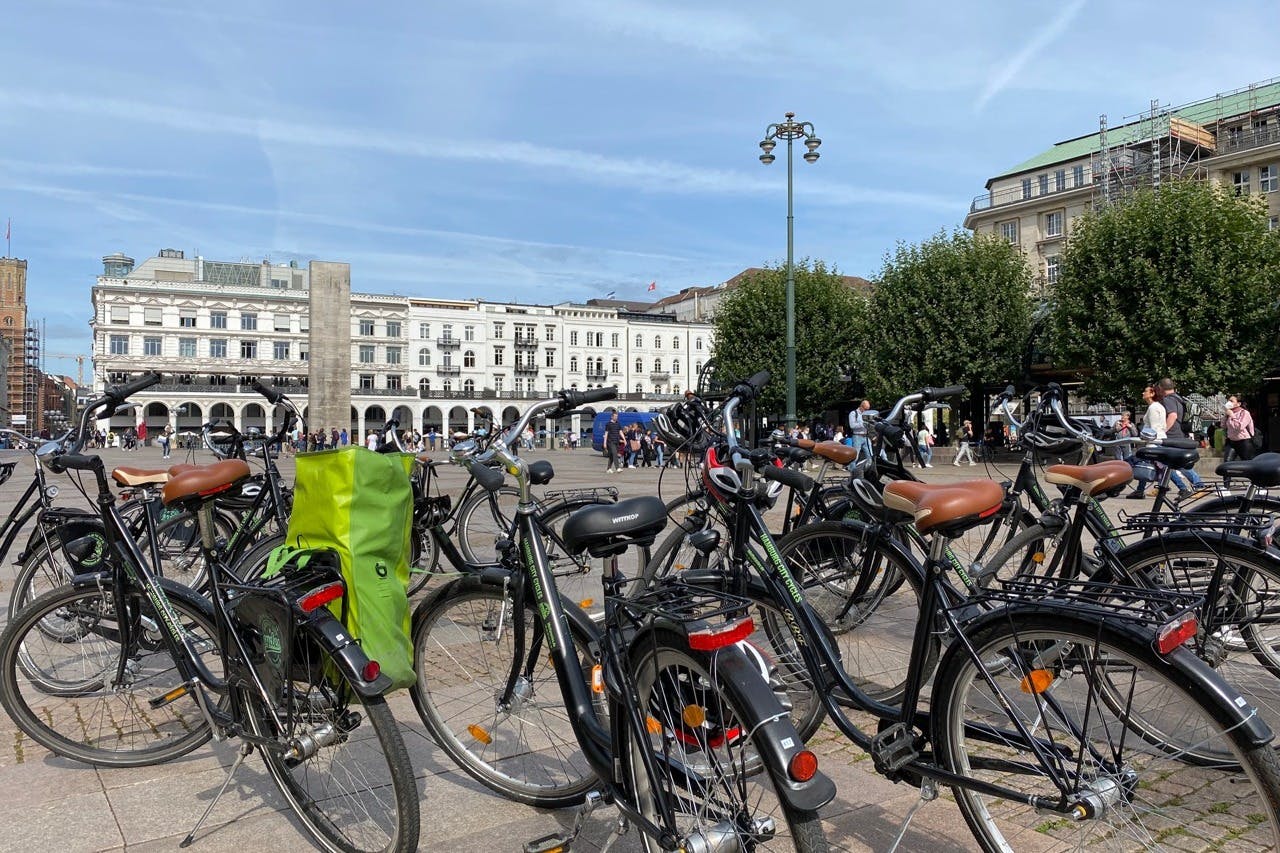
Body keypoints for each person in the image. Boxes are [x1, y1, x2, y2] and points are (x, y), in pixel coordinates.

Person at [1156, 377, 1207, 498]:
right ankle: (1192, 486)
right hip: (1180, 434)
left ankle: (1195, 486)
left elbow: (1172, 416)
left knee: (1170, 464)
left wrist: (1163, 431)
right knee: (1170, 464)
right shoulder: (1179, 398)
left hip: (1172, 435)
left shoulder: (1168, 400)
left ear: (1161, 388)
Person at [1222, 395, 1257, 464]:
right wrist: (1226, 416)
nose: (1229, 402)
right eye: (1228, 401)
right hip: (1231, 442)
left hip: (1244, 442)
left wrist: (1232, 416)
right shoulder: (1229, 413)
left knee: (1248, 463)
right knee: (1227, 463)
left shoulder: (1244, 413)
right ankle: (1227, 475)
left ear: (1238, 404)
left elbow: (1239, 427)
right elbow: (1223, 426)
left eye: (1231, 401)